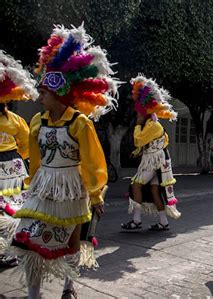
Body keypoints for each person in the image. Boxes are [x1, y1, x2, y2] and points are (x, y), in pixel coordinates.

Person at [11, 25, 118, 299]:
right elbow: (35, 159)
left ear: (58, 95)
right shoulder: (37, 122)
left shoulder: (79, 123)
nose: (40, 97)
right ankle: (34, 293)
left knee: (72, 240)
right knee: (27, 238)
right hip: (43, 187)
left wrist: (96, 195)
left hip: (72, 187)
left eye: (44, 93)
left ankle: (69, 287)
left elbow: (94, 161)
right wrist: (30, 184)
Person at [121, 75, 180, 232]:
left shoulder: (152, 125)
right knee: (154, 190)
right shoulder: (151, 124)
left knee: (136, 185)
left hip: (154, 161)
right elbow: (145, 144)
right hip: (155, 161)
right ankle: (163, 222)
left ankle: (137, 220)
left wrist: (138, 125)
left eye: (139, 113)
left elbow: (139, 140)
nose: (137, 115)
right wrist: (137, 152)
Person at [0, 50, 38, 267]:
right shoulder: (14, 119)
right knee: (11, 208)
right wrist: (18, 159)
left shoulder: (13, 119)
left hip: (9, 164)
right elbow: (26, 145)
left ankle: (7, 250)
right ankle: (11, 250)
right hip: (13, 165)